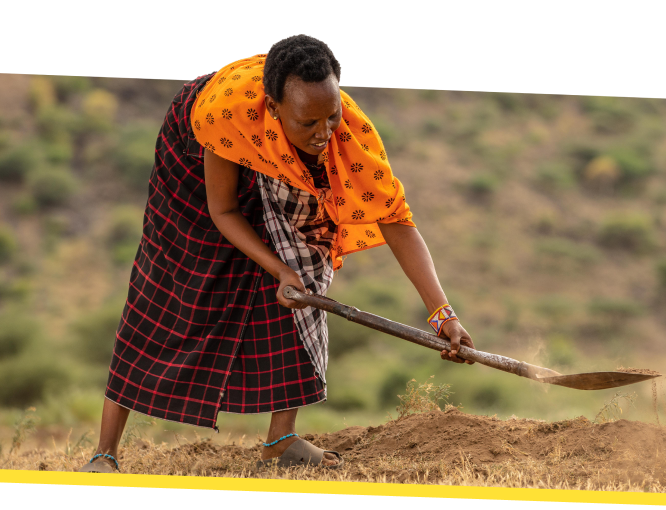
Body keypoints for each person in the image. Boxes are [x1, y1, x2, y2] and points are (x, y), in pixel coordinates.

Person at [78, 34, 474, 473]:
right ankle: (105, 453)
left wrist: (443, 314)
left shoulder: (347, 135)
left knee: (305, 258)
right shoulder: (223, 118)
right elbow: (223, 209)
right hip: (195, 157)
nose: (324, 133)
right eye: (308, 123)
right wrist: (277, 267)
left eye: (332, 115)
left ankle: (280, 441)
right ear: (273, 106)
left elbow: (396, 220)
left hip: (273, 155)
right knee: (167, 289)